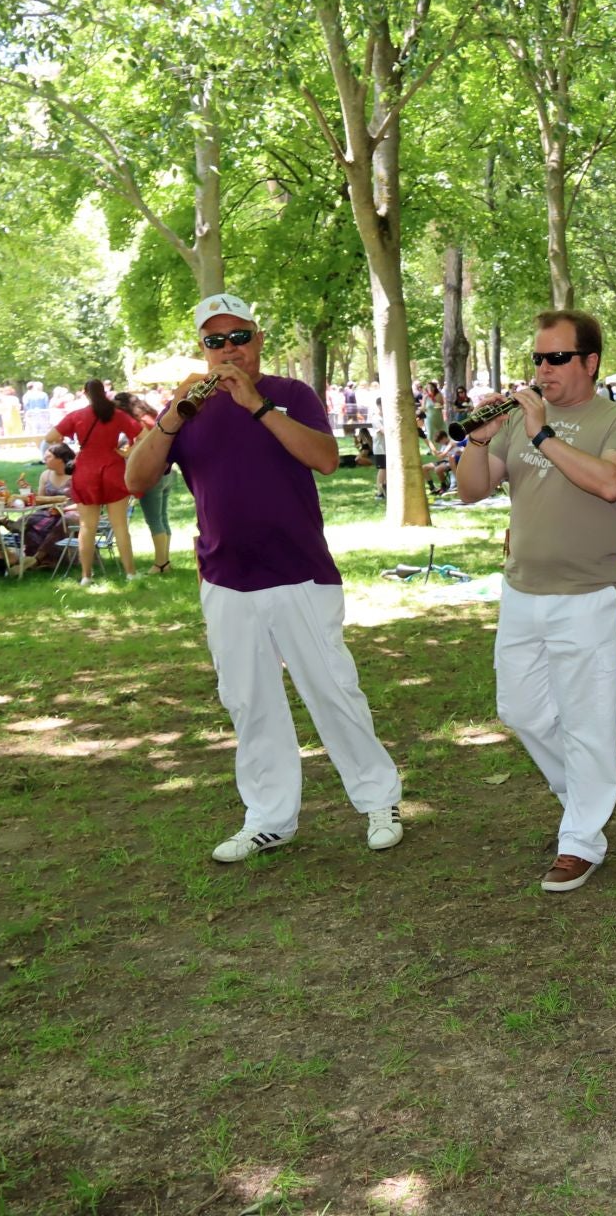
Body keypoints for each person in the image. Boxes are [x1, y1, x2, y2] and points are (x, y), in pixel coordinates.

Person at [124, 293, 406, 863]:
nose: (229, 350)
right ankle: (270, 818)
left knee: (332, 690)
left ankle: (379, 800)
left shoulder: (291, 394)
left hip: (299, 572)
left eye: (239, 337)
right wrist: (172, 419)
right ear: (202, 349)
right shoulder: (186, 409)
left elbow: (326, 458)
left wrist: (256, 406)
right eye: (215, 341)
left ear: (258, 340)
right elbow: (136, 479)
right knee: (248, 701)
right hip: (225, 578)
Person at [455, 310, 616, 894]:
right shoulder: (516, 420)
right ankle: (584, 798)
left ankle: (582, 839)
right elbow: (471, 490)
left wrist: (542, 433)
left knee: (588, 721)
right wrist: (479, 438)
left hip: (588, 596)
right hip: (522, 591)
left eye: (557, 358)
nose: (544, 368)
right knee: (520, 710)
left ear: (590, 362)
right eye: (538, 358)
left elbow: (612, 484)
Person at [44, 380, 142, 585]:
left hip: (86, 470)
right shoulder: (117, 414)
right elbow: (144, 434)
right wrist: (128, 452)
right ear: (104, 392)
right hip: (113, 468)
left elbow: (51, 437)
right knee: (120, 526)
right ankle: (131, 573)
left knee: (87, 526)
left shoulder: (77, 415)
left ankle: (86, 576)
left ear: (85, 393)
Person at [118, 393, 177, 574]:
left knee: (153, 519)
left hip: (150, 473)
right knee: (162, 517)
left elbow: (142, 440)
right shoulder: (152, 416)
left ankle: (160, 563)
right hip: (168, 471)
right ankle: (165, 560)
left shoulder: (138, 422)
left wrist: (127, 454)